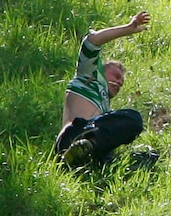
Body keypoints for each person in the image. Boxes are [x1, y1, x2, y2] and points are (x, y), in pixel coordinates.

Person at [56, 11, 151, 167]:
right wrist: (128, 28)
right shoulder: (87, 76)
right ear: (100, 70)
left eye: (122, 81)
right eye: (116, 75)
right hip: (72, 136)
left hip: (94, 148)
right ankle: (79, 148)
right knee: (132, 117)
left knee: (145, 156)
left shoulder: (105, 110)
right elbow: (91, 41)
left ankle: (84, 154)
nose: (120, 82)